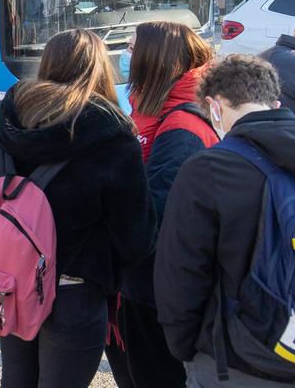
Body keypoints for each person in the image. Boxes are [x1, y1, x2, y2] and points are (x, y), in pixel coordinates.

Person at [156, 55, 295, 386]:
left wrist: (188, 347)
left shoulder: (211, 169)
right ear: (275, 101)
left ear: (214, 106)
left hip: (243, 359)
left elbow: (181, 274)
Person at [0, 28, 155, 388]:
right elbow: (135, 239)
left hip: (13, 282)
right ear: (99, 68)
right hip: (75, 290)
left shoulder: (8, 118)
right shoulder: (112, 133)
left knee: (15, 382)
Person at [114, 21, 218, 388]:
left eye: (131, 48)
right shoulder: (157, 104)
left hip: (155, 283)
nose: (126, 56)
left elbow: (157, 209)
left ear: (154, 59)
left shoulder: (183, 123)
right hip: (143, 279)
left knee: (153, 374)